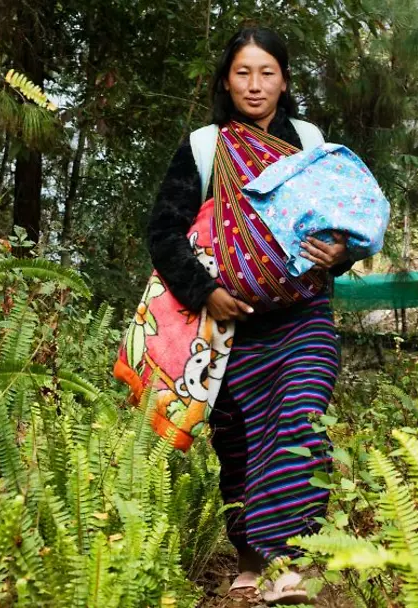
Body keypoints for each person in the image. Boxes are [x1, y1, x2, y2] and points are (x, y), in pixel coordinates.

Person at [147, 27, 355, 604]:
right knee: (238, 440)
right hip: (233, 329)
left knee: (301, 418)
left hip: (303, 316)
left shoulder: (309, 141)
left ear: (285, 80)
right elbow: (164, 231)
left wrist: (343, 253)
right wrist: (204, 290)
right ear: (225, 79)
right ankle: (249, 553)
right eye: (243, 72)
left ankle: (291, 558)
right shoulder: (204, 147)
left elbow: (345, 218)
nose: (255, 84)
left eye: (267, 72)